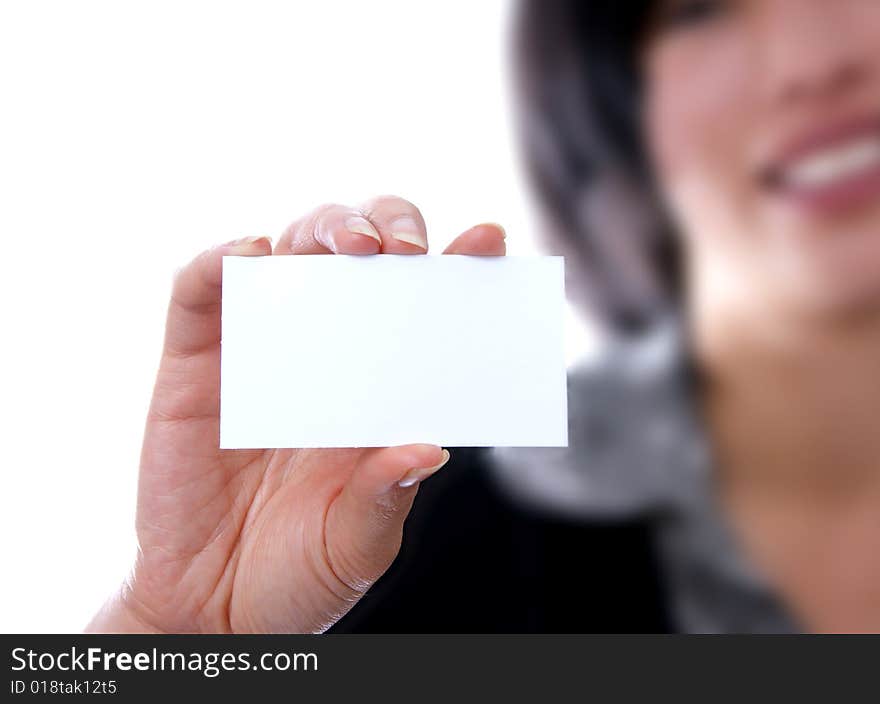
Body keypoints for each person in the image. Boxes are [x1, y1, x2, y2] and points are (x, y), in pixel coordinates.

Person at [87, 0, 880, 634]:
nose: (814, 61)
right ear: (611, 101)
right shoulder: (429, 534)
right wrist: (184, 628)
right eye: (699, 10)